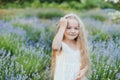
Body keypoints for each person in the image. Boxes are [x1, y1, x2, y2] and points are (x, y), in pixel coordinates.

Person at [50, 13, 90, 80]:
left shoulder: (79, 45)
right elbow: (55, 47)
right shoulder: (61, 45)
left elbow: (85, 61)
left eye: (76, 28)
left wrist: (84, 70)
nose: (72, 31)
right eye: (68, 28)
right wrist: (62, 26)